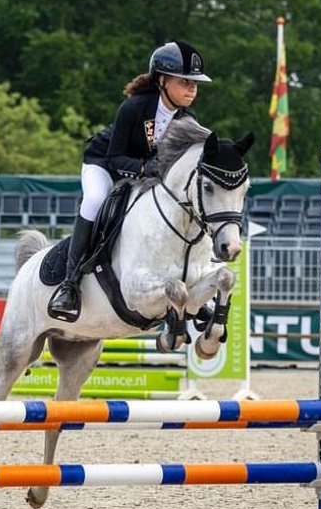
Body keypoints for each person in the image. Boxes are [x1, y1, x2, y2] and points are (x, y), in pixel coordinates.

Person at [47, 39, 211, 322]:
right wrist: (146, 168)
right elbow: (114, 158)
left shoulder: (188, 119)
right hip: (105, 164)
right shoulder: (134, 108)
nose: (192, 88)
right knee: (96, 201)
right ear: (162, 80)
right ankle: (70, 283)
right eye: (184, 81)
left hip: (145, 174)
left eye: (194, 83)